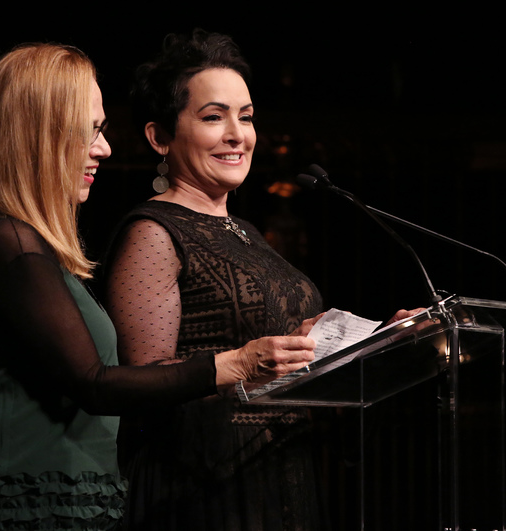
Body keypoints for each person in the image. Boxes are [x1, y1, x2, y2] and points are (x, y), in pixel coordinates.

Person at [0, 42, 319, 530]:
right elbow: (96, 383)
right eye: (88, 130)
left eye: (102, 130)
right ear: (33, 135)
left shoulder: (30, 244)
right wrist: (237, 363)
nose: (105, 148)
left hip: (69, 494)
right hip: (26, 501)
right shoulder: (9, 241)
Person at [103, 29, 423, 531]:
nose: (238, 134)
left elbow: (288, 357)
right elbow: (140, 382)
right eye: (214, 117)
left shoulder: (246, 232)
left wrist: (379, 344)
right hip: (201, 491)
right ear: (160, 137)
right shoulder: (154, 231)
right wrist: (242, 364)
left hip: (282, 476)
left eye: (246, 117)